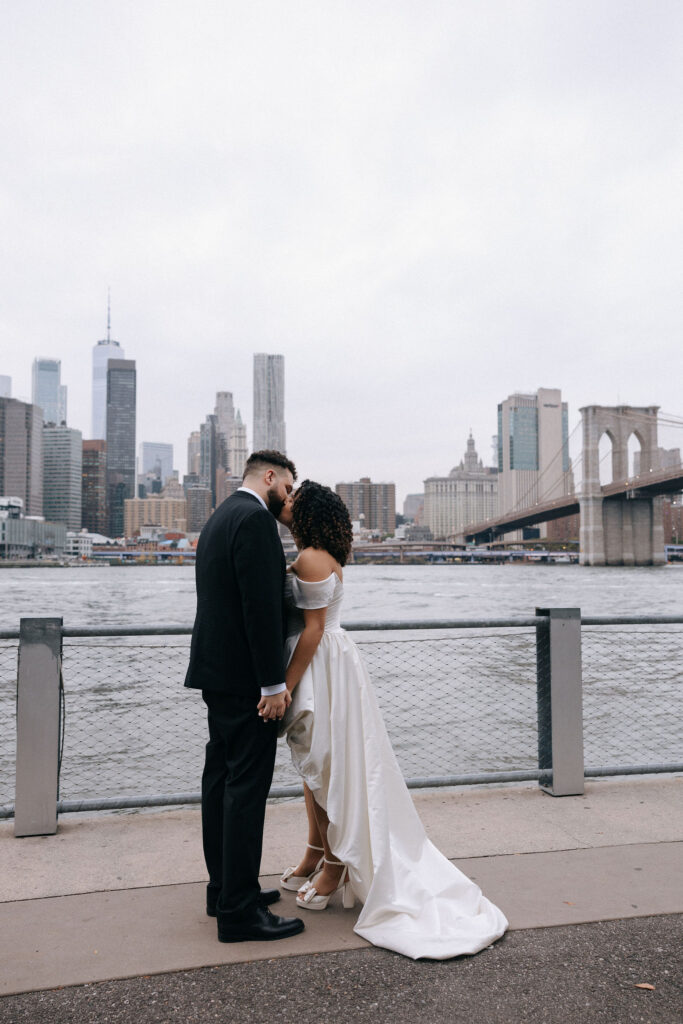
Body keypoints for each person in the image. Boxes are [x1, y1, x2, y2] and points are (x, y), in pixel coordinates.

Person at [277, 480, 508, 959]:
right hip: (333, 664)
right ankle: (316, 851)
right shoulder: (321, 554)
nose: (286, 503)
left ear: (310, 513)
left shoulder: (312, 559)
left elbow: (314, 629)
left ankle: (336, 865)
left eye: (294, 500)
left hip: (321, 664)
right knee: (317, 768)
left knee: (328, 770)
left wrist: (284, 684)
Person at [184, 450, 304, 944]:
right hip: (246, 683)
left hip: (216, 673)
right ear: (270, 477)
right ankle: (238, 912)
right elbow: (259, 610)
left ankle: (225, 890)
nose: (289, 497)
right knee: (246, 790)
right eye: (289, 488)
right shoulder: (255, 521)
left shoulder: (219, 517)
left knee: (221, 781)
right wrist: (274, 686)